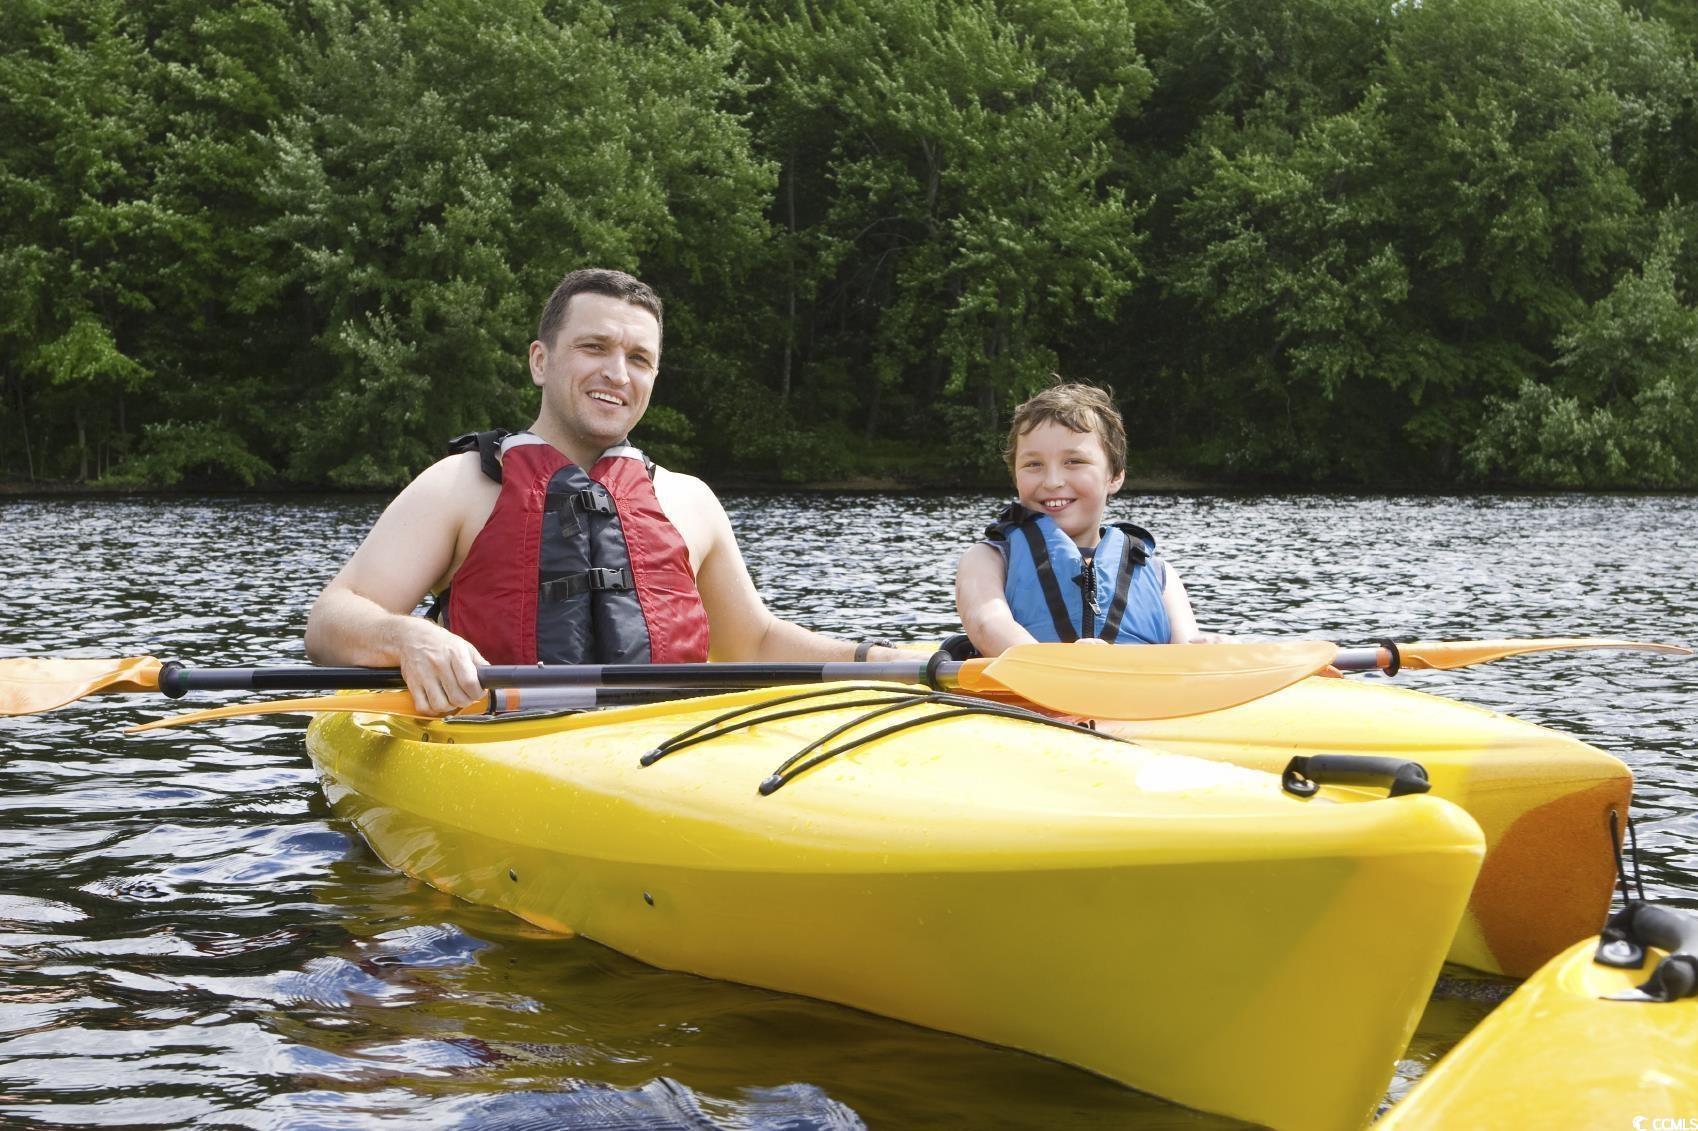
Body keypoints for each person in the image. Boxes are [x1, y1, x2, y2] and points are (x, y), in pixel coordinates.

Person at [305, 267, 905, 714]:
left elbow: (754, 640)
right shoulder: (461, 485)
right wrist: (406, 635)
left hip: (660, 745)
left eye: (639, 358)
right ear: (541, 361)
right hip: (503, 744)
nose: (617, 373)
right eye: (594, 347)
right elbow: (331, 620)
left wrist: (877, 661)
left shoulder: (688, 499)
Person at [954, 381, 1213, 657]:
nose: (1052, 482)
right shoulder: (987, 559)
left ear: (1114, 476)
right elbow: (986, 623)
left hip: (1136, 693)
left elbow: (1188, 651)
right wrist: (1065, 664)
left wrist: (1210, 652)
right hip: (1025, 691)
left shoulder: (1160, 574)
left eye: (1074, 462)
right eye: (1033, 465)